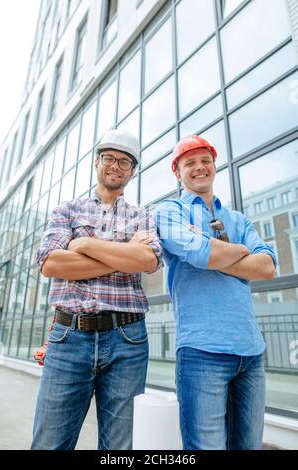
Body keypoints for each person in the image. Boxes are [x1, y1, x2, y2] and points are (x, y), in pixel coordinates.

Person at [31, 128, 163, 450]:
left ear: (132, 171)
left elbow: (147, 260)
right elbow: (51, 264)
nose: (115, 166)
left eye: (124, 161)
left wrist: (84, 244)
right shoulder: (68, 210)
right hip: (69, 337)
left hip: (127, 339)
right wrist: (123, 252)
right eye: (109, 158)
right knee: (50, 443)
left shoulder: (142, 215)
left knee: (120, 449)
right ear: (97, 162)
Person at [155, 135, 276, 450]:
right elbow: (199, 255)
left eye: (205, 161)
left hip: (250, 352)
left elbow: (267, 267)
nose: (199, 168)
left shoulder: (238, 218)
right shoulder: (169, 212)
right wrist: (239, 251)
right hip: (201, 351)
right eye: (189, 163)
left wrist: (216, 252)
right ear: (177, 171)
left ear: (214, 165)